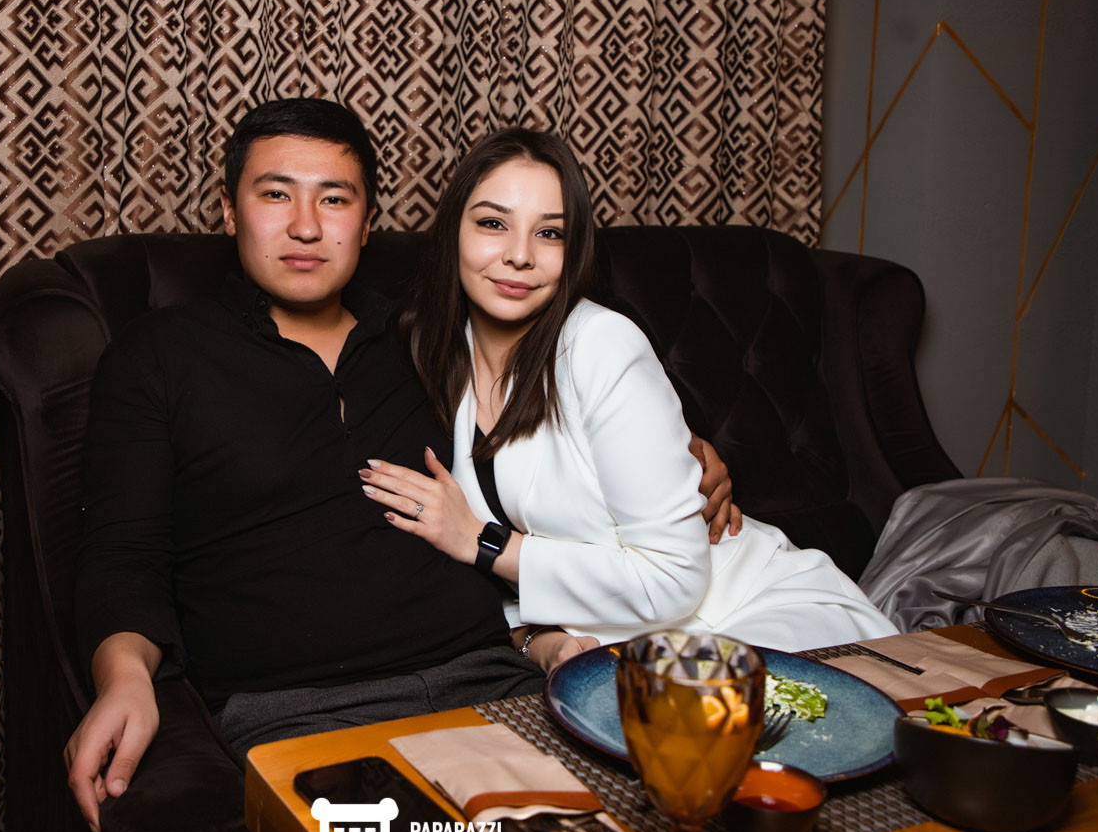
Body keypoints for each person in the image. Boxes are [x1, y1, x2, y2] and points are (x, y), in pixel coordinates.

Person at [64, 100, 739, 832]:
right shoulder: (159, 356)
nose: (306, 226)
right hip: (298, 711)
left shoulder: (429, 344)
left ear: (367, 220)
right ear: (229, 210)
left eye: (335, 199)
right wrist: (123, 678)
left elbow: (552, 439)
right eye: (276, 194)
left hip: (491, 680)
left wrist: (688, 456)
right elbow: (123, 555)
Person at [359, 127, 897, 655]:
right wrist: (533, 637)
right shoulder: (427, 355)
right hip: (629, 645)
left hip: (752, 614)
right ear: (452, 231)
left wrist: (482, 541)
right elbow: (452, 571)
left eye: (550, 233)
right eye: (494, 223)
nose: (519, 255)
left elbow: (673, 577)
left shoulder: (601, 343)